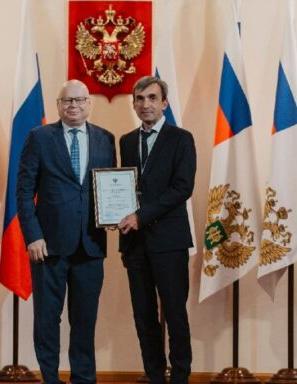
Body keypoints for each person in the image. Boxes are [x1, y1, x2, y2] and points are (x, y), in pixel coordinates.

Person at [16, 79, 116, 384]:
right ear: (58, 105)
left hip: (91, 245)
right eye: (67, 101)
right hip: (49, 246)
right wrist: (33, 235)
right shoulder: (39, 138)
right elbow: (24, 190)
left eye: (79, 100)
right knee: (47, 319)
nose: (73, 106)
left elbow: (110, 186)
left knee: (85, 321)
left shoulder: (106, 139)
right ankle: (50, 378)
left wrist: (115, 214)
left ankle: (83, 378)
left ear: (89, 104)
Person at [117, 76, 196, 384]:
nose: (145, 104)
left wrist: (141, 216)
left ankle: (180, 377)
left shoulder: (181, 139)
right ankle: (154, 376)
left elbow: (182, 188)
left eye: (152, 98)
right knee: (144, 316)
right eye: (139, 98)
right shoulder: (126, 141)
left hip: (169, 242)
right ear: (133, 103)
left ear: (164, 103)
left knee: (175, 314)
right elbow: (124, 188)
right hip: (135, 244)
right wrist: (114, 216)